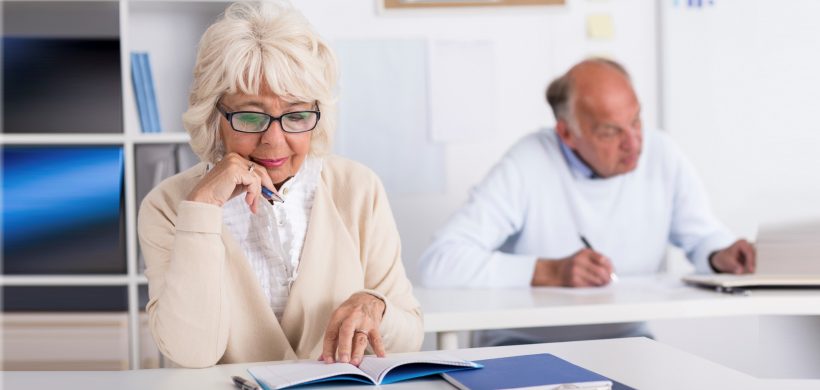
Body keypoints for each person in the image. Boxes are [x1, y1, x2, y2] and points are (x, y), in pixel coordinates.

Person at [138, 0, 422, 368]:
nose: (273, 140)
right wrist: (203, 208)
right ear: (214, 116)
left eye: (297, 115)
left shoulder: (358, 188)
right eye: (251, 117)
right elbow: (192, 353)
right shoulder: (168, 205)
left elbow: (409, 339)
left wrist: (376, 306)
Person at [417, 58, 755, 345]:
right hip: (523, 344)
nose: (634, 142)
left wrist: (719, 254)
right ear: (567, 133)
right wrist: (549, 270)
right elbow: (440, 263)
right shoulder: (529, 161)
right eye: (611, 132)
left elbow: (702, 236)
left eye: (636, 120)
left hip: (625, 342)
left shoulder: (662, 153)